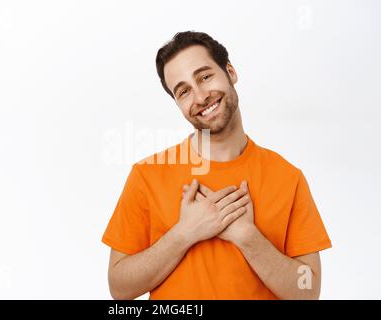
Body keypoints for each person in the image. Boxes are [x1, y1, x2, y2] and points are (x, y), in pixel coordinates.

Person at [101, 31, 332, 300]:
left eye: (205, 76)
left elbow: (308, 292)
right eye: (184, 91)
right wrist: (184, 234)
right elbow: (119, 288)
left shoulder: (288, 178)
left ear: (231, 72)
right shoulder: (147, 175)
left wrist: (247, 237)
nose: (200, 96)